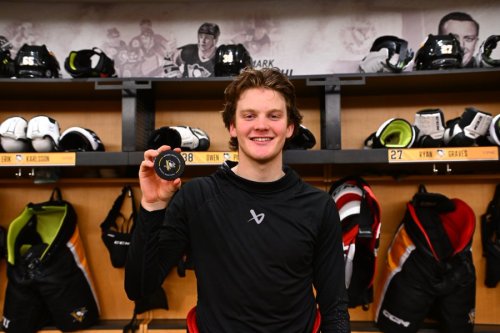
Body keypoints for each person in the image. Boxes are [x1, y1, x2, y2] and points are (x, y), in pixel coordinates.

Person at [124, 67, 351, 333]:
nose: (261, 125)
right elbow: (139, 287)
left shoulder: (318, 206)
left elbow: (334, 308)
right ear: (232, 126)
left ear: (290, 127)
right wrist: (152, 206)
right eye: (249, 115)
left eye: (274, 116)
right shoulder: (196, 197)